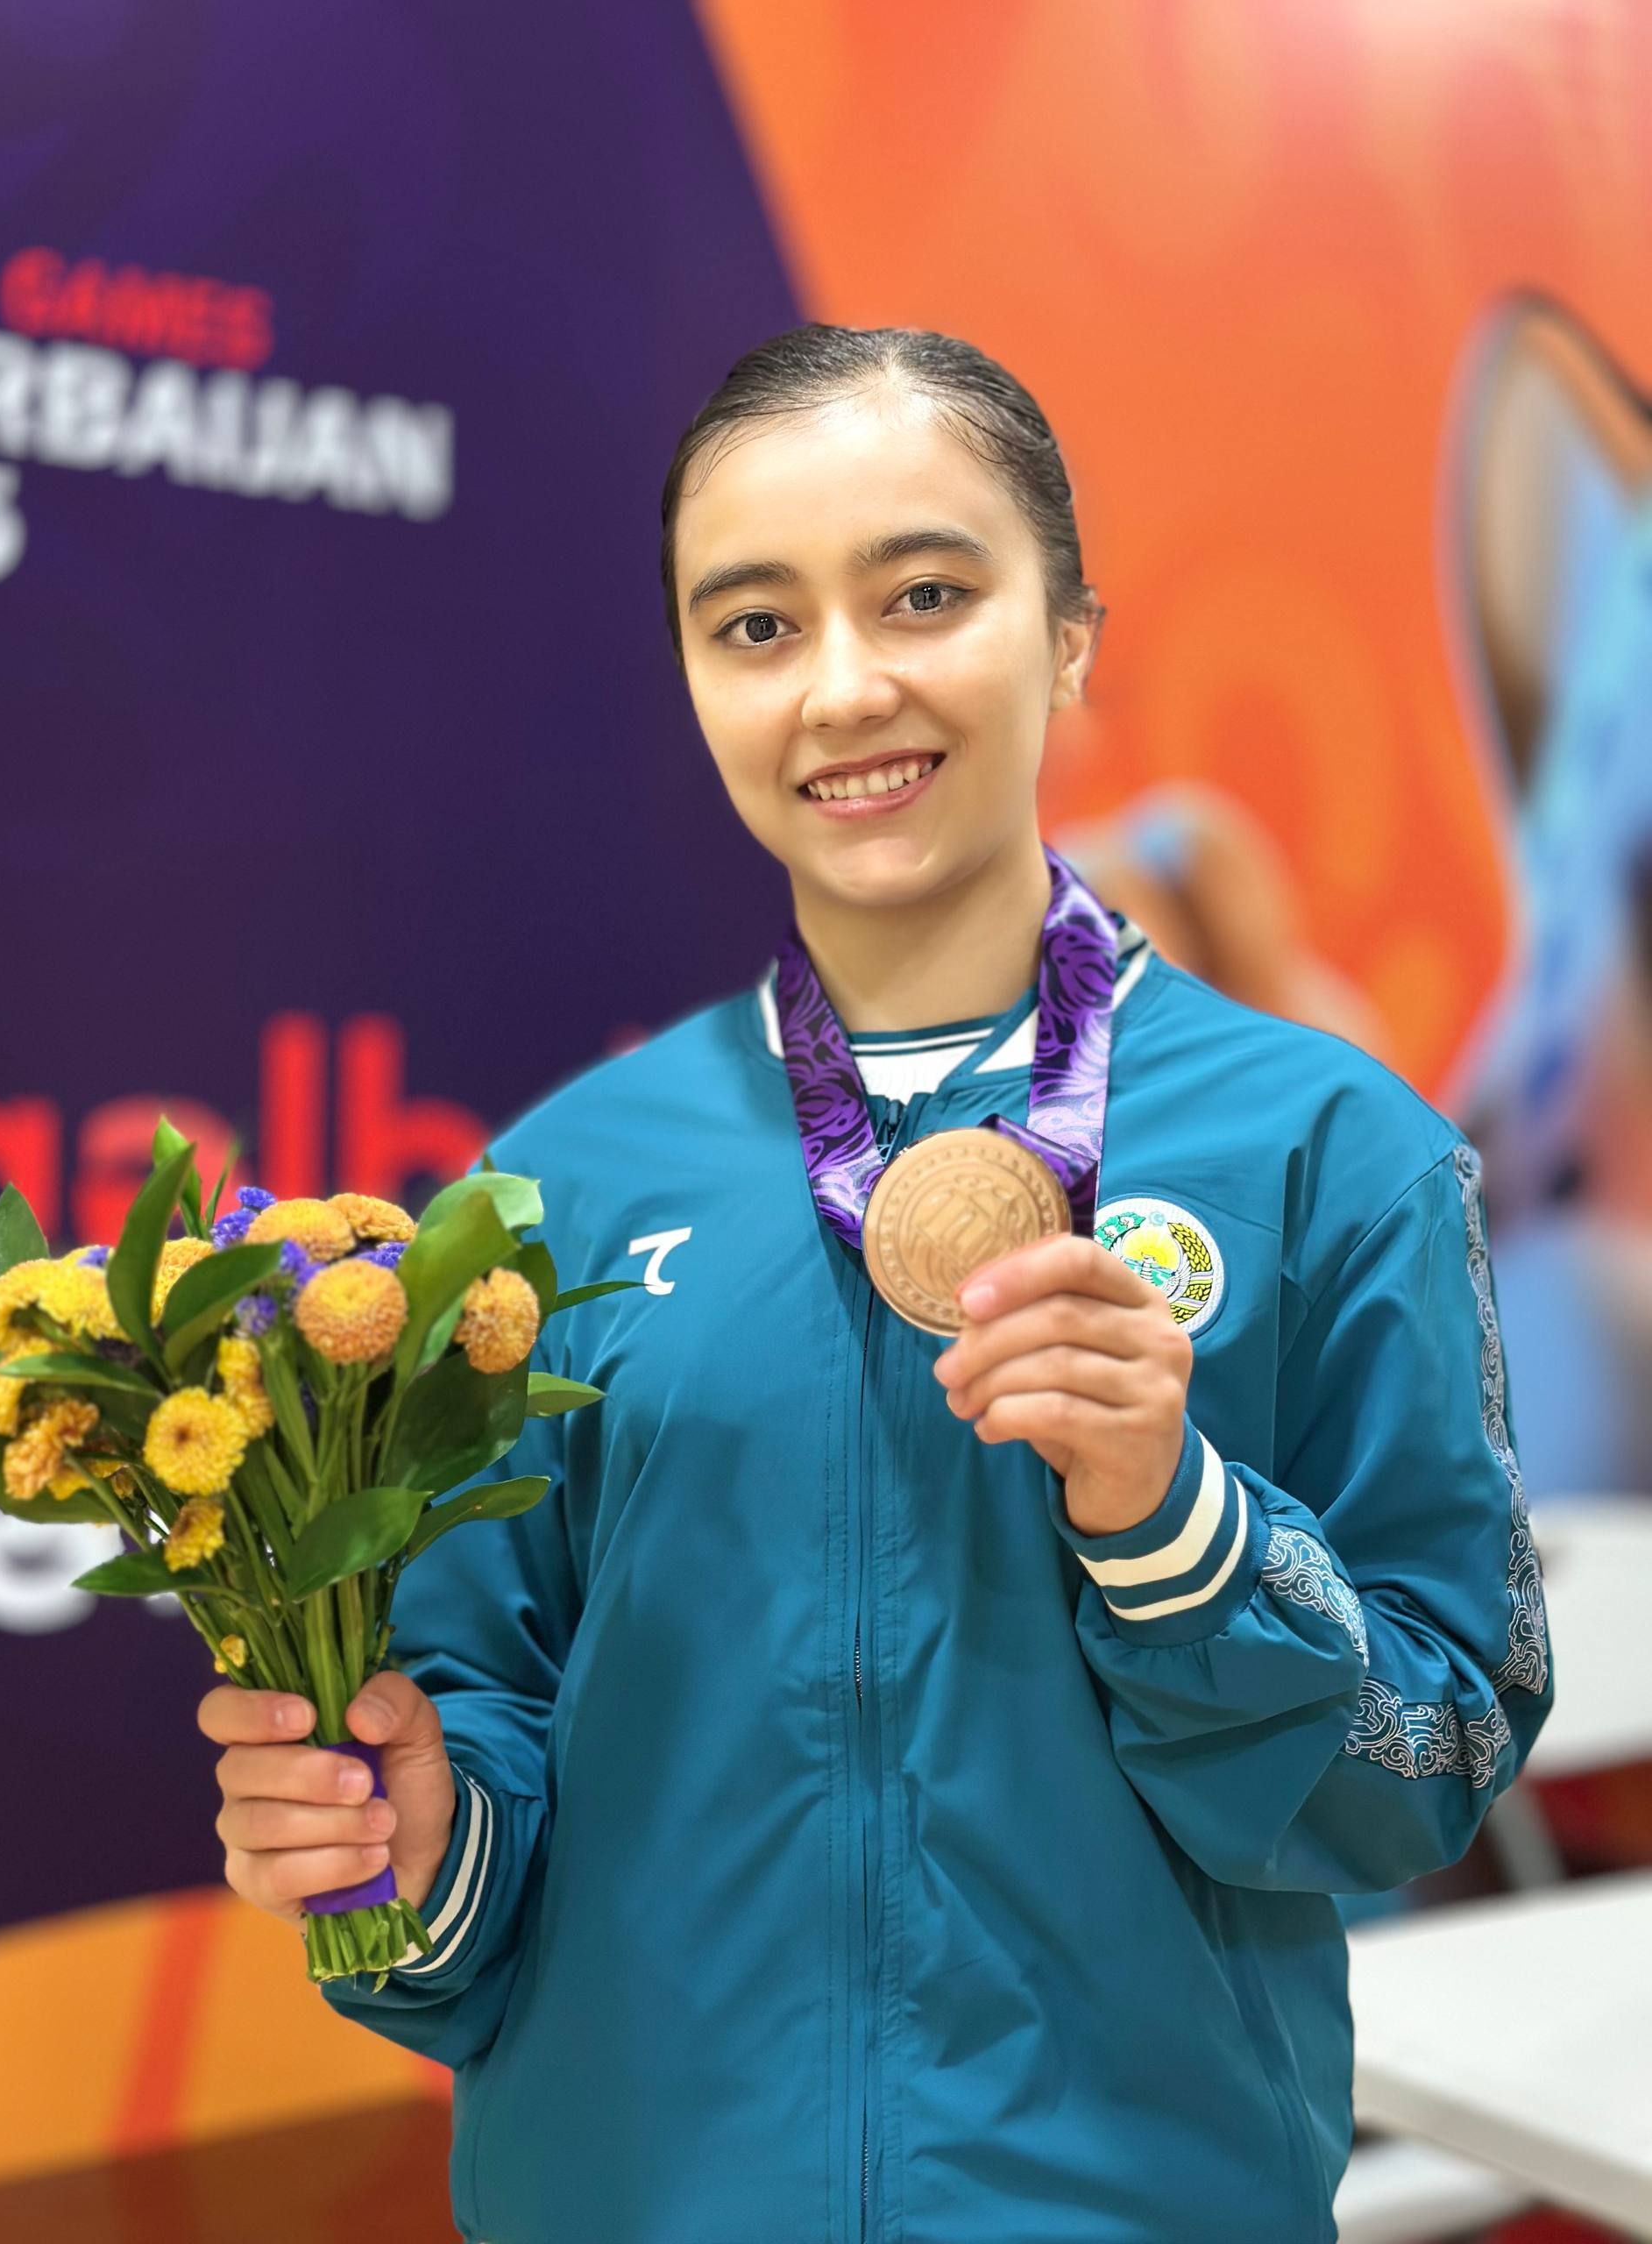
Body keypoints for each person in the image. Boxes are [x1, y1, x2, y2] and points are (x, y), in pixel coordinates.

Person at [200, 324, 1554, 2244]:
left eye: (925, 594)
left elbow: (1442, 1752)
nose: (844, 688)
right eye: (755, 626)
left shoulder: (1335, 1150)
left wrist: (1181, 1528)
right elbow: (483, 1705)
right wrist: (415, 1844)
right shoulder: (553, 1189)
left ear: (1068, 635)